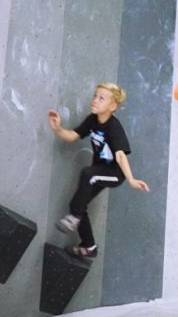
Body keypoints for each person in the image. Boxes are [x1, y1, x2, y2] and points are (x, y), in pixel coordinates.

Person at [49, 83, 149, 258]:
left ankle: (74, 218)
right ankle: (89, 246)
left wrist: (131, 180)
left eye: (101, 98)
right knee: (77, 205)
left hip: (114, 174)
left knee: (87, 176)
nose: (95, 100)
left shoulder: (114, 127)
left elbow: (120, 156)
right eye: (95, 96)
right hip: (98, 171)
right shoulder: (92, 120)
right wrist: (57, 128)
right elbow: (72, 136)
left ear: (113, 106)